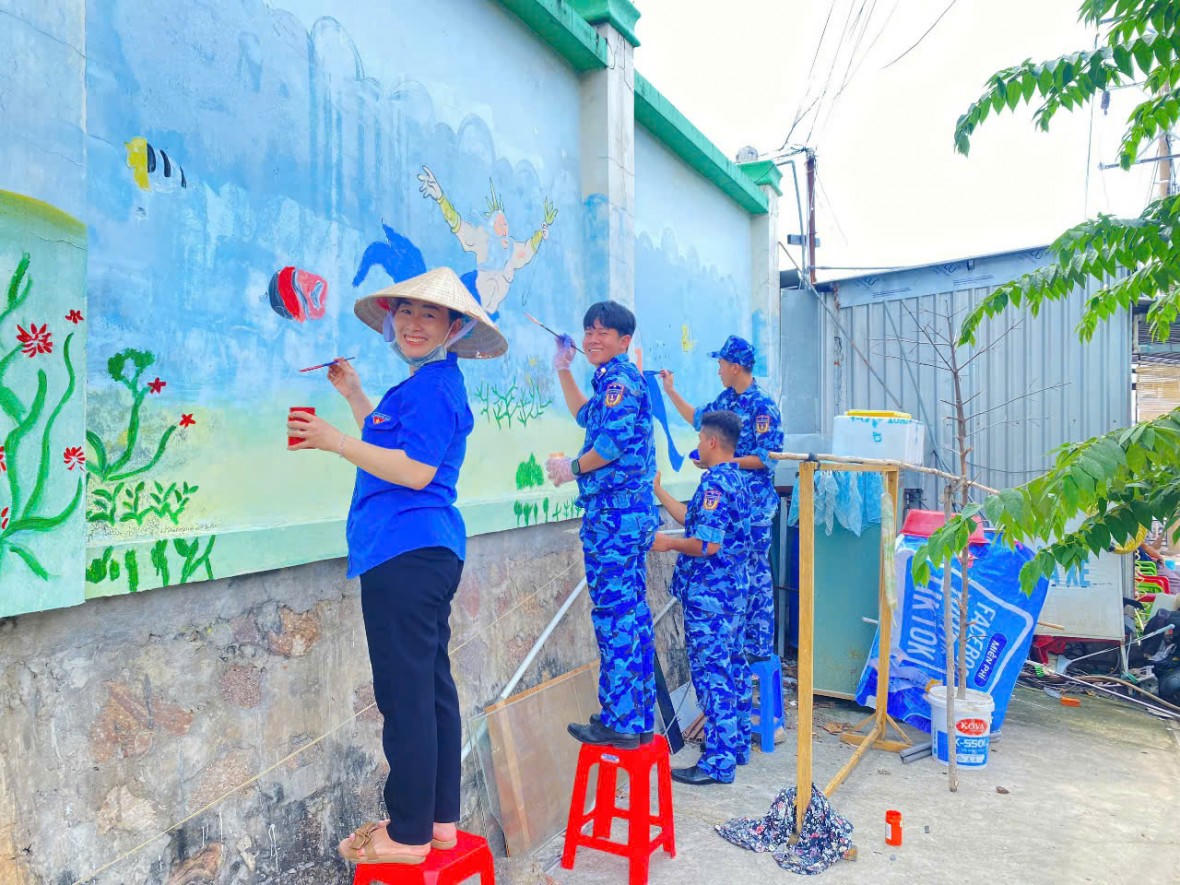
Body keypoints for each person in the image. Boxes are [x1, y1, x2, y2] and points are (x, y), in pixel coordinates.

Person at [287, 266, 506, 867]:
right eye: (405, 311)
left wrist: (334, 441)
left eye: (429, 314)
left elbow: (413, 471)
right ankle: (437, 822)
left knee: (405, 695)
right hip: (421, 551)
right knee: (430, 689)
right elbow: (390, 446)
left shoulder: (433, 388)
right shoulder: (426, 385)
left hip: (404, 552)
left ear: (454, 328)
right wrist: (354, 394)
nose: (413, 323)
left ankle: (408, 835)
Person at [545, 301, 658, 749]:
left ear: (624, 340)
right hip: (624, 516)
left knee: (615, 617)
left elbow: (608, 446)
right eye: (588, 330)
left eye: (603, 332)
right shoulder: (614, 381)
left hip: (615, 519)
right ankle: (634, 715)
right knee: (631, 614)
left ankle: (622, 722)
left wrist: (570, 468)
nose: (592, 339)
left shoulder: (619, 381)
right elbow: (586, 417)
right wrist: (563, 369)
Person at [658, 335, 783, 663]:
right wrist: (670, 391)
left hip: (753, 507)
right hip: (727, 504)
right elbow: (700, 421)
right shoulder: (726, 399)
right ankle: (735, 645)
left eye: (722, 364)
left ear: (735, 367)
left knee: (755, 575)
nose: (718, 370)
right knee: (728, 574)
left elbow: (768, 458)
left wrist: (724, 462)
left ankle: (757, 647)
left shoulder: (762, 406)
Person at [651, 410, 752, 785]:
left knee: (713, 677)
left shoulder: (716, 485)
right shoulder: (735, 479)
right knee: (733, 669)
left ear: (711, 441)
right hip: (732, 597)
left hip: (711, 599)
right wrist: (659, 491)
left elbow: (707, 544)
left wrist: (668, 544)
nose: (697, 447)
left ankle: (718, 763)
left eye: (699, 440)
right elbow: (695, 520)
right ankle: (736, 745)